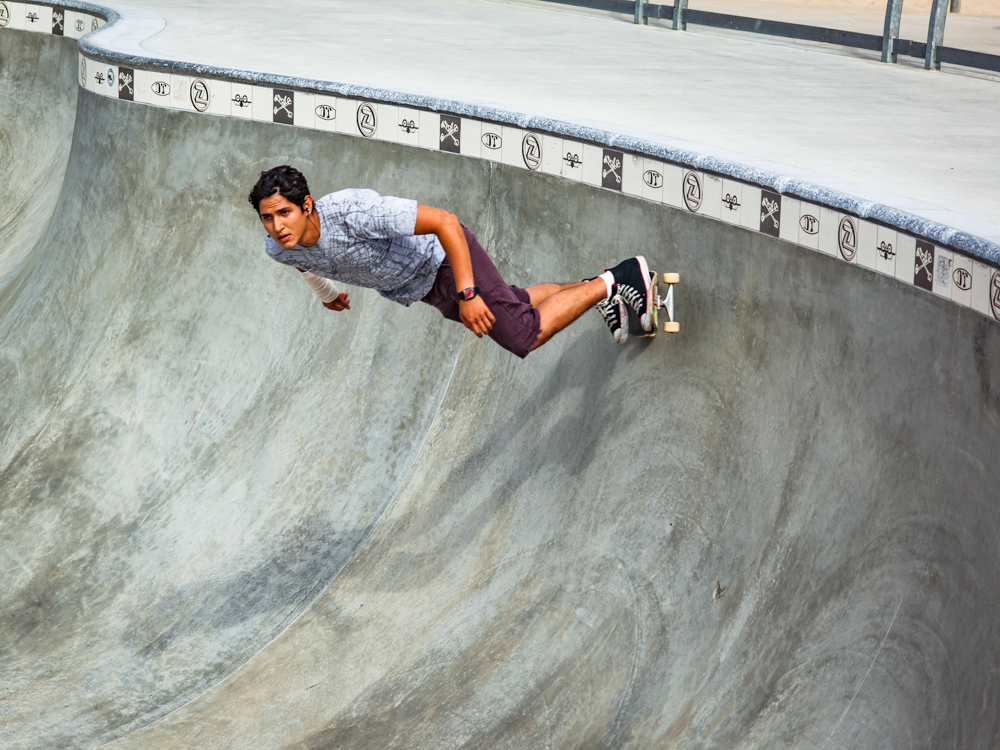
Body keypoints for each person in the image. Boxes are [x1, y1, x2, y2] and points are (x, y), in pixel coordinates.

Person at [248, 165, 654, 357]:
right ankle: (593, 291)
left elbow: (446, 222)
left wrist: (468, 291)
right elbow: (301, 261)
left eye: (284, 213)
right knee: (520, 301)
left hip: (446, 262)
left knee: (523, 334)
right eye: (267, 218)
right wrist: (326, 292)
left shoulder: (355, 213)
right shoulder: (279, 247)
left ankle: (617, 278)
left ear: (306, 205)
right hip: (422, 288)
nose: (277, 227)